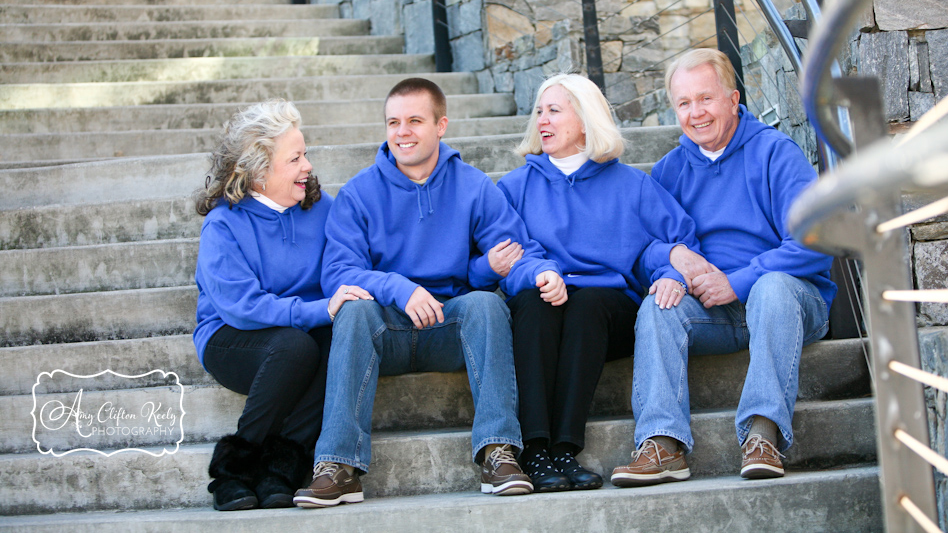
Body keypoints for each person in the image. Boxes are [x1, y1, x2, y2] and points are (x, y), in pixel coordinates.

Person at [293, 77, 566, 508]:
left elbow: (515, 253)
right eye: (393, 122)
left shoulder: (473, 186)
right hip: (387, 327)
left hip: (449, 324)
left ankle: (498, 452)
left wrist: (540, 273)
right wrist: (399, 289)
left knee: (486, 304)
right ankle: (338, 465)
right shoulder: (360, 193)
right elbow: (338, 274)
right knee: (352, 310)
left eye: (414, 121)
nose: (402, 132)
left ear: (441, 126)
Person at [611, 48, 837, 487]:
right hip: (710, 310)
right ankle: (662, 442)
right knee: (657, 304)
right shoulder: (667, 171)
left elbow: (817, 240)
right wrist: (672, 263)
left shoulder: (775, 154)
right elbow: (640, 252)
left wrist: (738, 281)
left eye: (706, 99)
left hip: (790, 302)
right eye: (684, 103)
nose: (696, 113)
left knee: (771, 287)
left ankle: (762, 434)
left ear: (733, 99)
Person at [496, 74, 700, 492]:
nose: (542, 121)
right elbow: (509, 256)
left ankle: (565, 449)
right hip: (545, 306)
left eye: (554, 110)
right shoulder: (515, 187)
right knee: (535, 304)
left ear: (586, 120)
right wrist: (539, 272)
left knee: (590, 302)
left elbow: (678, 242)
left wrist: (673, 277)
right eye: (539, 112)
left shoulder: (633, 185)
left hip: (607, 316)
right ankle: (536, 450)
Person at [193, 100, 369, 511]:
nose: (307, 166)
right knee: (295, 344)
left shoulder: (323, 209)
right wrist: (314, 311)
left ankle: (280, 471)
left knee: (337, 337)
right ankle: (232, 471)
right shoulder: (224, 224)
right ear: (258, 172)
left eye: (305, 153)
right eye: (295, 158)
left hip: (301, 336)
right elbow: (241, 306)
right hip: (233, 339)